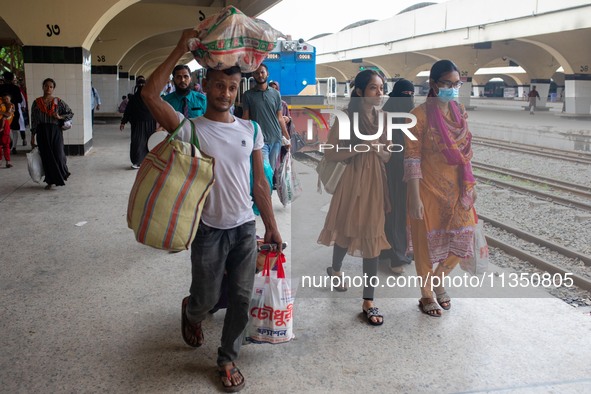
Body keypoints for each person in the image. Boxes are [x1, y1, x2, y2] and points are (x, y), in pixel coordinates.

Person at [141, 29, 283, 393]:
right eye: (219, 86)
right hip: (207, 230)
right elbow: (149, 94)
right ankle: (191, 309)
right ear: (206, 86)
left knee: (240, 297)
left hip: (244, 230)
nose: (226, 94)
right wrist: (178, 49)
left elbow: (260, 184)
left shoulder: (250, 129)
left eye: (232, 88)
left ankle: (227, 358)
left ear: (238, 91)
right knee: (204, 300)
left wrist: (271, 225)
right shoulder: (190, 129)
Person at [317, 69, 391, 326]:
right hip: (350, 182)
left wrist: (380, 150)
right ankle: (335, 270)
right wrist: (361, 147)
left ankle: (368, 301)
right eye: (374, 88)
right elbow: (330, 152)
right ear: (359, 91)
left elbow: (388, 154)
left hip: (374, 184)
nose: (379, 93)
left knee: (372, 235)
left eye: (381, 88)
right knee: (344, 229)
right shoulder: (346, 118)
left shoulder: (383, 118)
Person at [404, 59, 477, 317]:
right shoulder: (418, 116)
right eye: (447, 83)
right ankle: (426, 295)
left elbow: (465, 154)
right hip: (426, 190)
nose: (453, 88)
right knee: (425, 246)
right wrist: (414, 197)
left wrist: (469, 186)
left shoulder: (459, 111)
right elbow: (411, 157)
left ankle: (437, 280)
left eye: (457, 84)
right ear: (434, 84)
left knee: (463, 236)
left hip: (457, 190)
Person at [380, 79, 416, 274]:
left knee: (396, 212)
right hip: (390, 168)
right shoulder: (386, 114)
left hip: (407, 168)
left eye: (411, 95)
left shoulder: (409, 113)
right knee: (395, 212)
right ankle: (396, 256)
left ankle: (388, 250)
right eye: (405, 94)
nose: (408, 99)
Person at [242, 64, 291, 171]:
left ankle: (267, 188)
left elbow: (279, 117)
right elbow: (245, 118)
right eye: (257, 73)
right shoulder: (248, 95)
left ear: (267, 74)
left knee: (271, 171)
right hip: (259, 140)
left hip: (276, 139)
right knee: (265, 171)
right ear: (253, 75)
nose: (260, 75)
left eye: (262, 72)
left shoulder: (276, 94)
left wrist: (287, 138)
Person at [30, 78, 74, 190]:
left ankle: (63, 172)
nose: (48, 88)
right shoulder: (36, 102)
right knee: (47, 157)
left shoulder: (58, 101)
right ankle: (50, 180)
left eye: (51, 87)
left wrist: (59, 117)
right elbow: (34, 120)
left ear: (53, 89)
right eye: (46, 86)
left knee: (59, 154)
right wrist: (32, 136)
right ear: (43, 87)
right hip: (42, 131)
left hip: (55, 131)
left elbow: (70, 113)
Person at [120, 76, 156, 169]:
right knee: (137, 142)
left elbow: (157, 109)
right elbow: (128, 110)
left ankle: (149, 161)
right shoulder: (134, 98)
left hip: (150, 122)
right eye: (140, 84)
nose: (141, 86)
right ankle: (137, 161)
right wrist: (123, 121)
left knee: (150, 142)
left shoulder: (150, 97)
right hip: (138, 123)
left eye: (143, 84)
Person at [0, 72, 25, 149]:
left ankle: (5, 145)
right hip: (13, 111)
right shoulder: (16, 88)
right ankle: (14, 147)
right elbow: (20, 100)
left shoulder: (0, 87)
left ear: (4, 78)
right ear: (12, 79)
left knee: (3, 128)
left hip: (2, 112)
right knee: (14, 129)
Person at [0, 93, 15, 168]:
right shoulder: (1, 101)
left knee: (6, 143)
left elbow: (8, 114)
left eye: (7, 99)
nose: (5, 100)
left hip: (5, 125)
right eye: (4, 99)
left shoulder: (10, 104)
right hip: (3, 122)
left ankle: (7, 161)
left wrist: (2, 113)